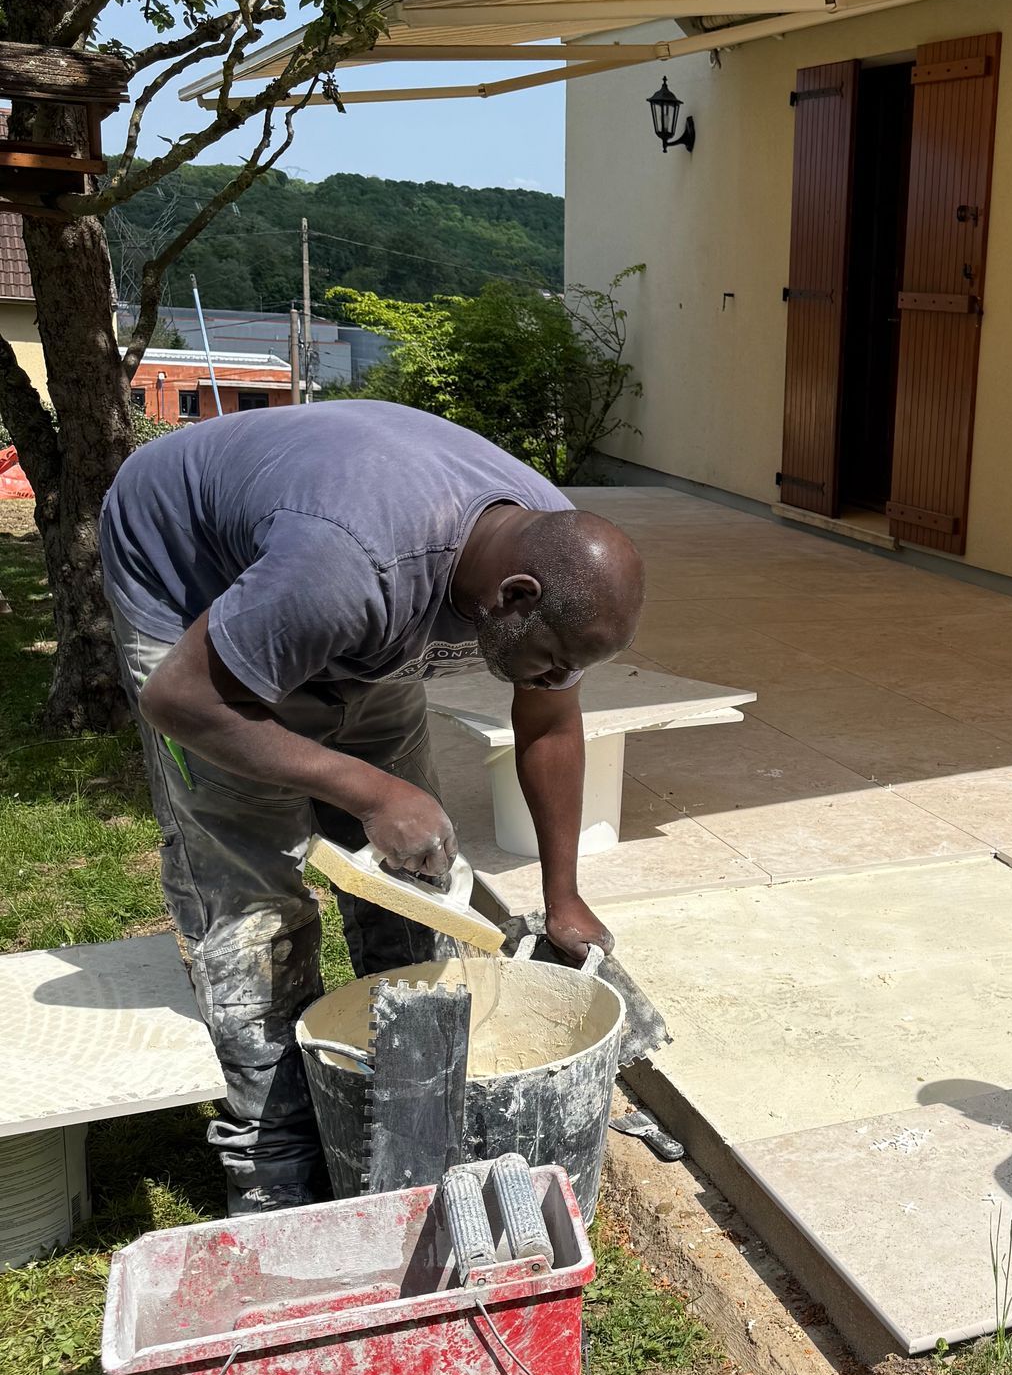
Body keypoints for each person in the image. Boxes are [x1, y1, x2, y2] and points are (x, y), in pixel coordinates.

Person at [99, 399, 646, 1214]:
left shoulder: (553, 555)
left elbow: (552, 716)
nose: (553, 676)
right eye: (549, 659)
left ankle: (403, 1076)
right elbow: (183, 701)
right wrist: (368, 788)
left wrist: (561, 898)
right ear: (515, 595)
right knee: (254, 896)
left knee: (413, 863)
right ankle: (277, 1151)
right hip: (188, 580)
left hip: (341, 576)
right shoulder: (349, 567)